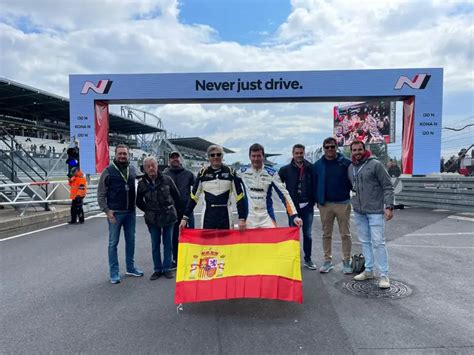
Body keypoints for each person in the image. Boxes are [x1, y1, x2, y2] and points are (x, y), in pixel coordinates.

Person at [348, 140, 394, 289]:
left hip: (374, 210)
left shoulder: (376, 165)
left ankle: (384, 275)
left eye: (359, 149)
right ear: (351, 152)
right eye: (354, 150)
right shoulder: (351, 167)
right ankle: (368, 270)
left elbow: (388, 186)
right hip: (359, 211)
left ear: (364, 149)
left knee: (378, 242)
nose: (357, 152)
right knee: (365, 241)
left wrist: (389, 206)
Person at [97, 144, 143, 284]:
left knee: (131, 241)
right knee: (113, 243)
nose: (122, 156)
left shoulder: (132, 169)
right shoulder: (108, 171)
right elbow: (101, 194)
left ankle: (130, 267)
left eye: (125, 154)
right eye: (120, 154)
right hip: (115, 213)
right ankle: (114, 272)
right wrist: (106, 210)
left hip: (130, 212)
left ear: (129, 155)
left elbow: (143, 179)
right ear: (115, 155)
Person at [179, 145, 247, 230]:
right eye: (212, 155)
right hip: (208, 217)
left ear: (222, 156)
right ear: (208, 157)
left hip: (226, 217)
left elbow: (239, 197)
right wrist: (185, 218)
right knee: (207, 242)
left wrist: (242, 218)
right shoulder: (202, 173)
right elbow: (193, 197)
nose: (216, 157)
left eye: (218, 154)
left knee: (226, 243)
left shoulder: (230, 172)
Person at [136, 156, 182, 280]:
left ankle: (167, 268)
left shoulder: (167, 179)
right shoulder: (141, 184)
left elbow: (177, 197)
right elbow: (138, 201)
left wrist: (177, 212)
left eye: (153, 165)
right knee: (155, 244)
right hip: (153, 219)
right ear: (144, 168)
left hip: (168, 216)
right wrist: (148, 210)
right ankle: (157, 269)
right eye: (148, 166)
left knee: (168, 244)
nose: (151, 168)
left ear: (157, 166)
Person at [239, 143, 302, 229]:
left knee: (273, 242)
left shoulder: (272, 173)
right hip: (250, 218)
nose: (256, 159)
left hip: (267, 217)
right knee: (249, 243)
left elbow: (284, 194)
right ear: (249, 157)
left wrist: (294, 216)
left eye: (258, 156)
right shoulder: (242, 172)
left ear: (263, 156)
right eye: (253, 156)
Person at [313, 137, 352, 274]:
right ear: (324, 148)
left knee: (345, 234)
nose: (330, 149)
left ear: (337, 147)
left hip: (343, 203)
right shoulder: (317, 165)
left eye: (332, 146)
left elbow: (354, 181)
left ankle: (346, 262)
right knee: (326, 234)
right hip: (325, 205)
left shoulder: (346, 163)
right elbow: (314, 184)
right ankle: (327, 261)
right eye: (327, 147)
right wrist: (317, 200)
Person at [278, 144, 316, 270]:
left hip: (307, 206)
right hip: (293, 208)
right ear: (293, 154)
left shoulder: (311, 167)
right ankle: (293, 259)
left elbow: (315, 184)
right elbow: (279, 187)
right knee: (293, 234)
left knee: (308, 234)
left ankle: (308, 259)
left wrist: (314, 200)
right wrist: (285, 202)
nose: (299, 155)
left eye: (301, 153)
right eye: (297, 153)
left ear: (303, 153)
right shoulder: (284, 170)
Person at [163, 151, 195, 269]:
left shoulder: (188, 174)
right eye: (173, 157)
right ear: (169, 160)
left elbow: (198, 187)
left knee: (190, 235)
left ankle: (191, 257)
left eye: (177, 157)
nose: (175, 159)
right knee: (174, 236)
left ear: (180, 159)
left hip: (187, 210)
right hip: (172, 211)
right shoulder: (165, 174)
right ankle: (176, 259)